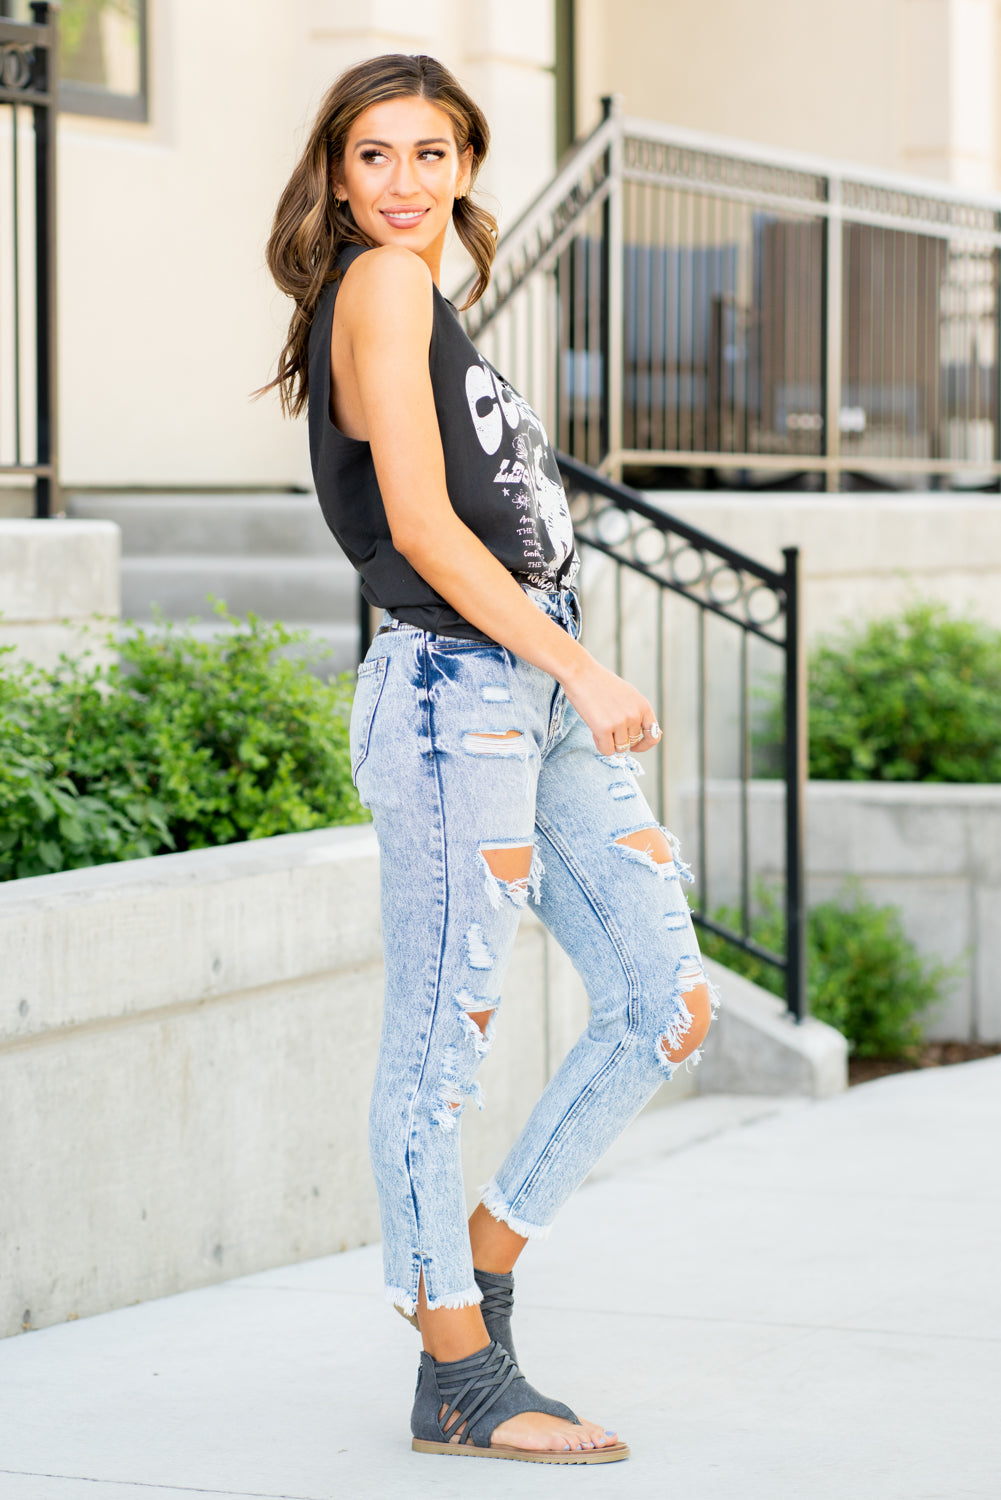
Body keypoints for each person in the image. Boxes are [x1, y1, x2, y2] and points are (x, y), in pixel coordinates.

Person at [264, 52, 715, 1466]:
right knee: (439, 1040)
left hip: (523, 683)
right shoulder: (382, 288)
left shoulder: (423, 298)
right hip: (454, 695)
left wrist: (561, 668)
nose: (404, 181)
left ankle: (467, 1267)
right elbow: (420, 522)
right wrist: (580, 667)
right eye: (374, 155)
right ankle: (460, 1374)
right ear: (338, 177)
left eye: (431, 153)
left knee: (663, 1001)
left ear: (464, 164)